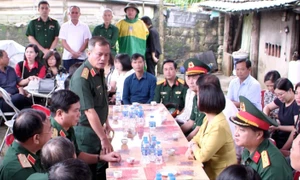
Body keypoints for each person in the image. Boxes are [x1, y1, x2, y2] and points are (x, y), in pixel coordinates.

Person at [70, 36, 114, 179]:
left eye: (106, 55)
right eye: (99, 54)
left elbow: (101, 101)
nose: (103, 58)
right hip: (85, 133)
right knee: (89, 172)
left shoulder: (98, 70)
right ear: (89, 53)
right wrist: (103, 138)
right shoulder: (82, 78)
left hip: (97, 129)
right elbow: (89, 111)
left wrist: (106, 123)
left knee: (101, 168)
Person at [49, 90, 121, 165]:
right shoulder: (50, 135)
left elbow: (78, 155)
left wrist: (103, 157)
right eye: (75, 111)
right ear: (60, 113)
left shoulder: (68, 127)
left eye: (79, 110)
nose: (79, 114)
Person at [230, 96, 293, 179]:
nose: (236, 134)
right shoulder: (249, 148)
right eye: (236, 128)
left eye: (242, 130)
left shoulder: (270, 166)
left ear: (259, 134)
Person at [185, 83, 236, 180]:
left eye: (199, 98)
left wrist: (192, 146)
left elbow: (202, 156)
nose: (197, 100)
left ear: (206, 101)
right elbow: (196, 138)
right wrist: (192, 148)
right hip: (208, 169)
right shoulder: (208, 118)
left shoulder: (218, 126)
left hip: (220, 175)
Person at [0, 109, 52, 180]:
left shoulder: (29, 148)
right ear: (36, 138)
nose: (52, 133)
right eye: (50, 129)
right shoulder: (20, 172)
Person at [263, 78, 299, 149]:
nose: (279, 97)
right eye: (277, 94)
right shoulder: (281, 100)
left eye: (281, 94)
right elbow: (267, 107)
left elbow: (295, 128)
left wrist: (283, 149)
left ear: (290, 90)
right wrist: (266, 119)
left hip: (289, 141)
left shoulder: (296, 105)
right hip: (278, 136)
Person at [180, 58, 210, 141]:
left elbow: (198, 129)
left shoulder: (207, 98)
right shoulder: (196, 97)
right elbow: (191, 122)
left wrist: (184, 141)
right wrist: (177, 133)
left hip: (201, 139)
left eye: (194, 78)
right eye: (188, 78)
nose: (191, 82)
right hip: (193, 134)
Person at [59, 5, 91, 71]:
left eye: (76, 13)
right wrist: (72, 52)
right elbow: (63, 42)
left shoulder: (85, 26)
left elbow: (86, 41)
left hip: (81, 57)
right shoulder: (64, 26)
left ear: (80, 14)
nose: (74, 14)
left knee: (81, 77)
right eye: (72, 12)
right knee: (68, 77)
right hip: (68, 57)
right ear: (69, 14)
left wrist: (78, 52)